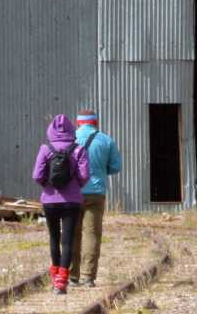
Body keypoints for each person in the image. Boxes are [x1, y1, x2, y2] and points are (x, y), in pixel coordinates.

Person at [32, 114, 90, 294]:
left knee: (54, 237)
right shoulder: (78, 149)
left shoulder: (45, 148)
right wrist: (75, 186)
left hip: (49, 201)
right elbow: (85, 175)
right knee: (68, 240)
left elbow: (37, 175)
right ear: (72, 129)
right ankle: (62, 282)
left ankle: (54, 275)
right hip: (72, 201)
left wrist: (47, 187)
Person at [69, 109, 123, 288]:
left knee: (72, 234)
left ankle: (71, 276)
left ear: (78, 123)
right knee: (92, 234)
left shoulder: (70, 139)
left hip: (73, 192)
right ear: (95, 123)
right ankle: (88, 277)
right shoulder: (106, 140)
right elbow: (116, 167)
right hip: (96, 192)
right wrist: (99, 170)